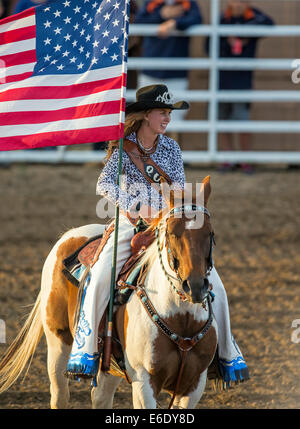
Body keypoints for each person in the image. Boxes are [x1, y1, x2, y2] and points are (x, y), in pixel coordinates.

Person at [65, 84, 250, 387]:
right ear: (145, 115)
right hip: (129, 224)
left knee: (213, 279)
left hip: (167, 224)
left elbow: (176, 187)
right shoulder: (122, 148)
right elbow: (104, 185)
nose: (167, 118)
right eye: (163, 112)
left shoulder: (171, 148)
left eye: (169, 113)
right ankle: (85, 350)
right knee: (100, 273)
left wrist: (170, 212)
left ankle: (228, 353)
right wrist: (136, 209)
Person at [209, 0, 274, 173]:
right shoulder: (222, 19)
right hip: (221, 77)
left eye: (243, 0)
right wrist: (226, 41)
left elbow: (269, 23)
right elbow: (208, 46)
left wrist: (243, 33)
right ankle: (227, 159)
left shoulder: (253, 17)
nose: (238, 3)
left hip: (242, 79)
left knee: (242, 119)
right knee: (222, 118)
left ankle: (245, 159)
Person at [134, 1, 202, 126]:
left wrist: (175, 23)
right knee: (146, 118)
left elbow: (196, 19)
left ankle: (169, 146)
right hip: (150, 72)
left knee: (174, 120)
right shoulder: (152, 3)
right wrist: (161, 14)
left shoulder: (188, 3)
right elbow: (139, 20)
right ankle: (150, 147)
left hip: (176, 74)